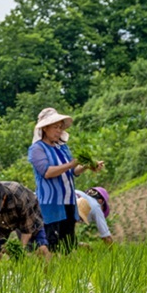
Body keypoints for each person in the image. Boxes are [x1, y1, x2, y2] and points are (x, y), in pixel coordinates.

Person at [27, 107, 101, 253]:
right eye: (55, 127)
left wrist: (87, 166)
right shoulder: (37, 149)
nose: (59, 130)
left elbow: (72, 171)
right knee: (52, 243)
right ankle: (51, 272)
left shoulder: (62, 148)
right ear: (45, 128)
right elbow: (47, 172)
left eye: (60, 127)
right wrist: (70, 164)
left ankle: (67, 271)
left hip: (68, 201)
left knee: (68, 244)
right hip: (51, 203)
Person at [0, 180, 50, 257]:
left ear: (4, 197)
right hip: (0, 223)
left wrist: (19, 249)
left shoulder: (19, 198)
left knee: (41, 248)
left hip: (28, 214)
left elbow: (27, 229)